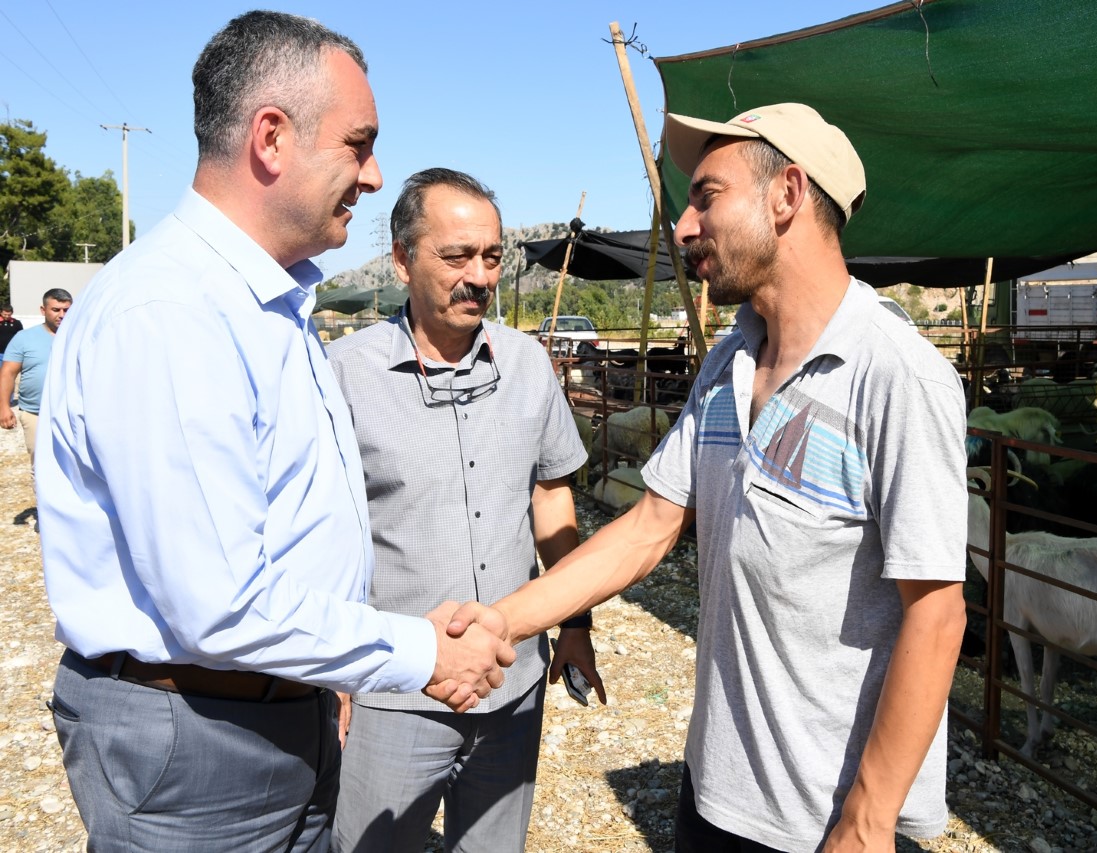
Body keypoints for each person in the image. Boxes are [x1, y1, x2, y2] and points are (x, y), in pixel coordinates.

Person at [36, 12, 513, 851]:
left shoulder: (264, 302)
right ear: (271, 138)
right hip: (199, 741)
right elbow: (214, 604)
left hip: (269, 712)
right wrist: (416, 650)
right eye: (358, 144)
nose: (373, 176)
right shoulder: (173, 312)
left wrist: (329, 670)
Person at [448, 103, 970, 853]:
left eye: (706, 196)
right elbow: (650, 527)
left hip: (827, 818)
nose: (684, 226)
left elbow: (938, 611)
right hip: (719, 788)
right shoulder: (732, 361)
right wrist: (505, 619)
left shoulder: (896, 375)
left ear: (787, 193)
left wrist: (869, 816)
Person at [327, 168, 602, 853]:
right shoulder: (340, 374)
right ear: (400, 260)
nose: (478, 276)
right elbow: (320, 533)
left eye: (490, 257)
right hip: (391, 692)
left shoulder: (528, 365)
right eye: (456, 257)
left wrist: (574, 621)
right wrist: (330, 673)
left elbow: (551, 495)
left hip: (512, 686)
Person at [0, 288, 71, 465]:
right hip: (35, 413)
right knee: (41, 465)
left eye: (66, 310)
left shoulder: (79, 336)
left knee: (74, 465)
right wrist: (4, 407)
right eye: (56, 310)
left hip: (71, 413)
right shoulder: (24, 338)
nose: (62, 315)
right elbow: (8, 373)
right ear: (43, 310)